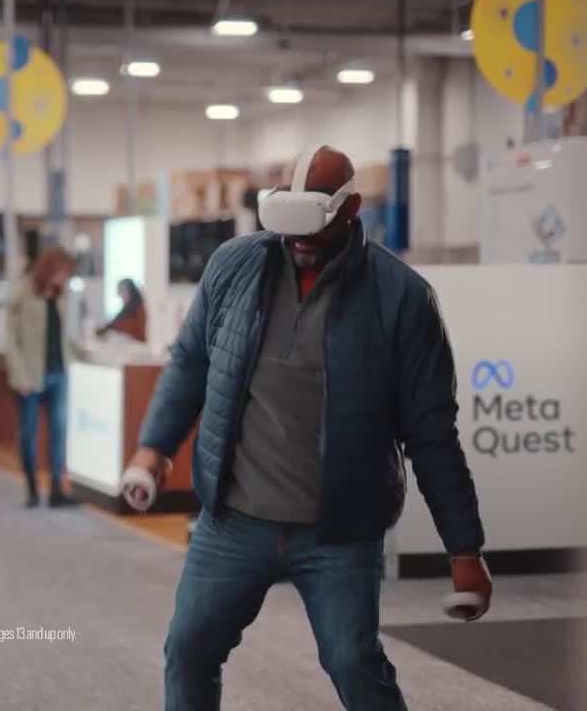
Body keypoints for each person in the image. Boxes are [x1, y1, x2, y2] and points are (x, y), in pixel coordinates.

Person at [126, 145, 493, 710]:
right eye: (286, 225)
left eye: (310, 228)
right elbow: (191, 362)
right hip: (233, 521)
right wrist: (154, 446)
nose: (297, 241)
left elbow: (431, 433)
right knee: (190, 647)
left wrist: (463, 548)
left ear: (352, 210)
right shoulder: (234, 266)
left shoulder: (403, 299)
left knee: (353, 662)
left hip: (339, 531)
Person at [4, 245, 83, 508]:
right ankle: (31, 488)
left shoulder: (62, 297)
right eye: (63, 272)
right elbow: (11, 340)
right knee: (29, 434)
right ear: (50, 269)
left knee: (59, 434)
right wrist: (20, 375)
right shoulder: (23, 293)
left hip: (58, 372)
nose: (65, 278)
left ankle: (57, 489)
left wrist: (80, 353)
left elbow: (64, 335)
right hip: (30, 376)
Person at [97, 277, 147, 342]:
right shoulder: (126, 308)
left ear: (130, 290)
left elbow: (130, 327)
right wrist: (106, 328)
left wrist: (115, 328)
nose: (121, 294)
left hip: (137, 344)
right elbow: (115, 323)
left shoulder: (139, 308)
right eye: (120, 291)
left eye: (123, 290)